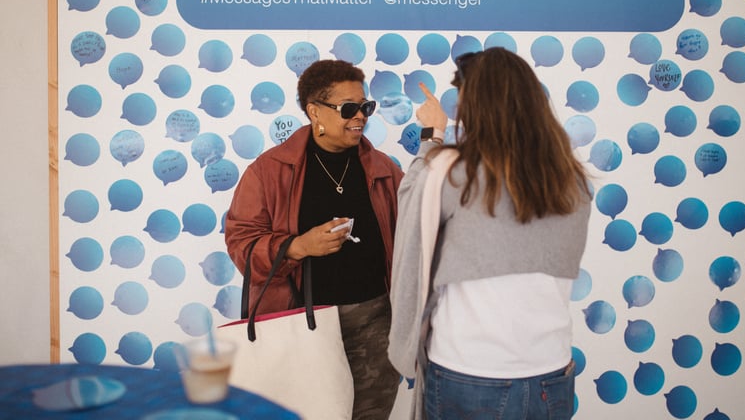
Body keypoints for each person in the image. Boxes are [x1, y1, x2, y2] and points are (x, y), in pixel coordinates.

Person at [388, 47, 592, 420]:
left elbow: (412, 224)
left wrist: (433, 136)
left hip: (469, 371)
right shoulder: (570, 177)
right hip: (551, 370)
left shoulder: (452, 172)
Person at [225, 59, 403, 419]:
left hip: (374, 325)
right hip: (300, 325)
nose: (361, 117)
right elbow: (240, 242)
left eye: (365, 107)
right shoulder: (268, 171)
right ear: (314, 111)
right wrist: (297, 247)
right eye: (348, 109)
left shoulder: (385, 170)